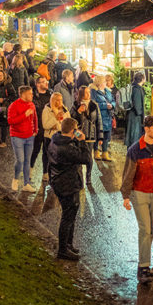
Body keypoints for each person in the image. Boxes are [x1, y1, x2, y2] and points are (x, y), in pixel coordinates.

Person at [121, 115, 153, 284]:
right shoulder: (135, 150)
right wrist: (126, 196)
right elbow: (128, 174)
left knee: (150, 229)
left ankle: (144, 260)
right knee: (145, 228)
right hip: (139, 192)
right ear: (147, 129)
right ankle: (144, 267)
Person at [48, 117, 92, 261]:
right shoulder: (67, 148)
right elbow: (86, 158)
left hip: (59, 182)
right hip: (68, 184)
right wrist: (82, 141)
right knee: (68, 218)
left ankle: (68, 245)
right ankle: (63, 250)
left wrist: (75, 139)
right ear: (73, 130)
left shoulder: (55, 140)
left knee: (70, 217)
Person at [6, 85, 39, 192]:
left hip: (29, 136)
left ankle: (26, 184)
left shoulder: (31, 104)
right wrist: (24, 115)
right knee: (20, 160)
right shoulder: (14, 106)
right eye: (30, 93)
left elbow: (35, 118)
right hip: (17, 137)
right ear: (23, 94)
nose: (32, 95)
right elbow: (11, 121)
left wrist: (35, 130)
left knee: (27, 161)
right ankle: (15, 179)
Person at [69, 85, 101, 186]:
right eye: (86, 93)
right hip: (78, 134)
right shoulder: (75, 105)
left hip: (90, 135)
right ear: (81, 94)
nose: (88, 94)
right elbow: (70, 120)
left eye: (89, 92)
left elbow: (99, 121)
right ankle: (79, 178)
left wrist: (100, 136)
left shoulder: (94, 105)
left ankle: (88, 177)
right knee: (78, 156)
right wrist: (79, 112)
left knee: (88, 157)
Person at [29, 76, 53, 178]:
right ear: (38, 84)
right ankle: (30, 168)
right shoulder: (33, 96)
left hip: (47, 128)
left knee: (47, 151)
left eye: (46, 81)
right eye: (43, 82)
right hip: (37, 127)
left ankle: (45, 173)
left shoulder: (50, 95)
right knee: (35, 149)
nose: (46, 83)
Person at [41, 92, 68, 181]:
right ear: (53, 100)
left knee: (60, 157)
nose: (60, 102)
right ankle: (46, 173)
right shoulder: (47, 110)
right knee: (49, 156)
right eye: (58, 100)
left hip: (61, 136)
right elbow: (45, 125)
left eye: (61, 100)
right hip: (50, 137)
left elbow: (68, 122)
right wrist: (55, 119)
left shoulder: (64, 109)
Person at [90, 73, 117, 161]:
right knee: (98, 134)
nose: (106, 83)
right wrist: (105, 105)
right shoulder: (94, 91)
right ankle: (96, 152)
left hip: (108, 117)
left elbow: (113, 100)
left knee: (106, 136)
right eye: (104, 81)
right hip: (99, 117)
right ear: (100, 83)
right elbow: (93, 103)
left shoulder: (108, 91)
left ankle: (105, 153)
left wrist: (112, 105)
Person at [125, 71, 146, 147]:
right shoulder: (137, 89)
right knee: (134, 137)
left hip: (131, 115)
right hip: (135, 117)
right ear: (143, 79)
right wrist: (141, 114)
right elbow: (137, 105)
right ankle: (132, 155)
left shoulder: (132, 87)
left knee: (131, 136)